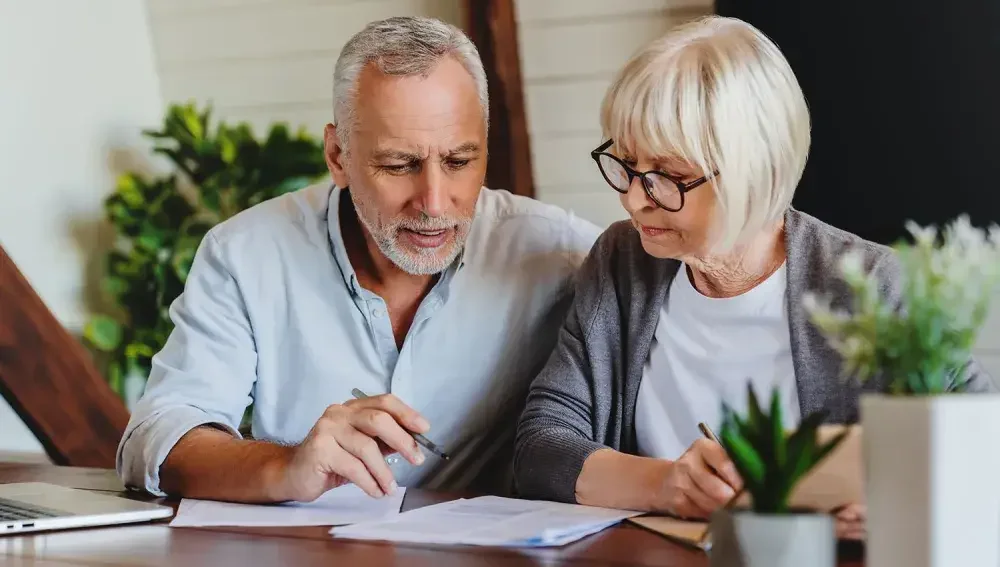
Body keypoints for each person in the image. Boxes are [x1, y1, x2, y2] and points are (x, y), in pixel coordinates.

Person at [513, 15, 995, 521]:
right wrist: (666, 484)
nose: (634, 199)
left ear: (753, 172)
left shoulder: (872, 285)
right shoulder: (620, 261)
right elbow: (541, 447)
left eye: (668, 176)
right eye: (628, 165)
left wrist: (897, 500)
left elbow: (981, 444)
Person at [117, 16, 600, 503]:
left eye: (459, 162)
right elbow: (156, 437)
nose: (434, 203)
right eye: (398, 164)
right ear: (337, 156)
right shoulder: (245, 254)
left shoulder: (560, 254)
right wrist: (287, 467)